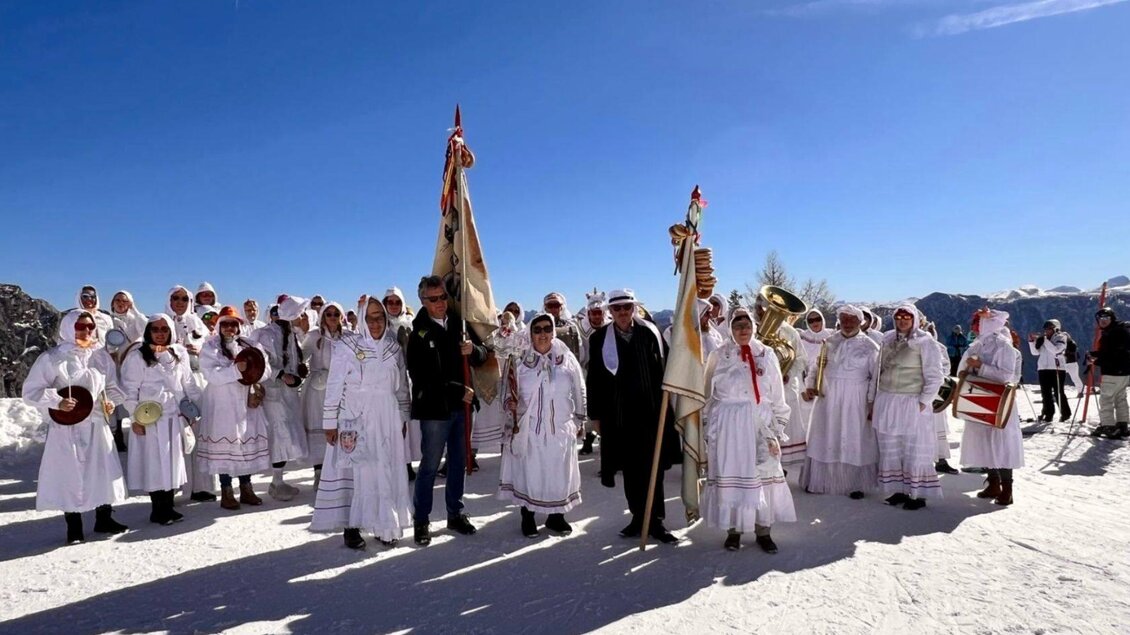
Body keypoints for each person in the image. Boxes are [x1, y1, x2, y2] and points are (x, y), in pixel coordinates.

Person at [311, 295, 413, 549]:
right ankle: (352, 525)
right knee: (356, 471)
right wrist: (329, 421)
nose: (376, 323)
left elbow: (401, 389)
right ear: (362, 318)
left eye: (380, 317)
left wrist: (402, 416)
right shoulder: (347, 347)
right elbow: (334, 385)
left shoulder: (393, 349)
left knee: (384, 468)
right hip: (355, 417)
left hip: (387, 417)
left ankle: (384, 524)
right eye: (370, 318)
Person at [22, 310, 128, 544]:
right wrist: (57, 400)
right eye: (81, 326)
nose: (86, 331)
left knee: (100, 472)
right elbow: (30, 392)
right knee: (70, 474)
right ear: (69, 327)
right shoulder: (53, 358)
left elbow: (113, 387)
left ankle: (104, 518)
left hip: (96, 424)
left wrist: (111, 401)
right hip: (67, 427)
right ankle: (74, 525)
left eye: (90, 327)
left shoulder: (101, 357)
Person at [586, 288, 681, 544]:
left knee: (653, 468)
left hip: (651, 413)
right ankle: (639, 517)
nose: (622, 313)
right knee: (630, 469)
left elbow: (668, 367)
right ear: (610, 312)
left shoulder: (651, 333)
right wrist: (595, 415)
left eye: (626, 307)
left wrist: (669, 399)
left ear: (634, 308)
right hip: (618, 415)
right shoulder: (599, 340)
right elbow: (593, 379)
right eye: (616, 309)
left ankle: (656, 520)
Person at [703, 308, 796, 552]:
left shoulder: (767, 355)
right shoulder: (718, 355)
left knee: (762, 474)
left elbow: (777, 393)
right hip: (728, 426)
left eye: (746, 326)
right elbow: (706, 393)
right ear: (730, 329)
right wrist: (707, 424)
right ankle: (733, 530)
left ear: (753, 327)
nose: (743, 330)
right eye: (737, 326)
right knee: (731, 473)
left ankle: (763, 530)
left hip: (759, 422)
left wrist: (777, 426)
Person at [407, 275, 488, 546]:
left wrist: (473, 350)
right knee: (429, 465)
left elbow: (484, 353)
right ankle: (422, 520)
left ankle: (455, 512)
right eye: (433, 299)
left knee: (458, 462)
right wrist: (456, 390)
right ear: (423, 301)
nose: (440, 303)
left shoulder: (460, 322)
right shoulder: (417, 331)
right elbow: (421, 375)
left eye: (443, 297)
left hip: (462, 406)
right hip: (434, 410)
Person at [499, 313, 585, 537]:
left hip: (560, 428)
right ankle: (527, 516)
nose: (543, 334)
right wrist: (511, 412)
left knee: (558, 473)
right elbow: (506, 392)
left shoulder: (565, 357)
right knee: (529, 473)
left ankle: (556, 518)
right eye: (537, 330)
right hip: (530, 429)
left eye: (547, 328)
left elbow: (579, 387)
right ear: (530, 332)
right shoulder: (519, 359)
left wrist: (579, 418)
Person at [120, 314, 203, 525]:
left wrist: (195, 409)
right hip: (150, 419)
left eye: (164, 329)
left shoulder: (178, 353)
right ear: (149, 331)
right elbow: (129, 391)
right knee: (154, 464)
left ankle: (168, 505)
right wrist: (135, 418)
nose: (160, 333)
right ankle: (158, 509)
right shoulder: (138, 357)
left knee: (173, 463)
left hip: (174, 418)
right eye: (155, 329)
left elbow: (188, 384)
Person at [799, 305, 880, 499]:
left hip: (856, 399)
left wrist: (871, 402)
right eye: (844, 320)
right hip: (828, 397)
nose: (848, 324)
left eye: (852, 320)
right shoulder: (830, 341)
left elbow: (875, 377)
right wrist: (810, 386)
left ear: (860, 321)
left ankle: (855, 484)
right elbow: (816, 368)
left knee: (853, 437)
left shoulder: (870, 346)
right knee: (826, 436)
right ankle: (820, 481)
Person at [196, 306, 273, 510]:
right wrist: (236, 371)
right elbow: (212, 375)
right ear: (219, 325)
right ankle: (226, 490)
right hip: (222, 403)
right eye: (226, 324)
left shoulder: (250, 344)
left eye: (233, 324)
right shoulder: (210, 347)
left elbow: (266, 369)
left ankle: (246, 488)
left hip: (247, 402)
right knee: (226, 445)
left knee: (244, 443)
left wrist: (255, 377)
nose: (230, 328)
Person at [873, 304, 944, 510]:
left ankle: (918, 494)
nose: (902, 321)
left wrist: (924, 401)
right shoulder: (887, 339)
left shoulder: (925, 341)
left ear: (914, 319)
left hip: (912, 400)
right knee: (890, 447)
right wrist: (873, 398)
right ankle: (899, 490)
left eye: (906, 317)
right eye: (898, 317)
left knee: (914, 447)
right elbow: (878, 370)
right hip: (887, 398)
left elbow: (934, 375)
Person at [955, 308, 1024, 505]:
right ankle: (993, 483)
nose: (975, 326)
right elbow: (962, 367)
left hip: (999, 401)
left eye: (979, 322)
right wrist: (966, 371)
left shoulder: (1004, 347)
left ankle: (1007, 488)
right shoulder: (977, 345)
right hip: (978, 398)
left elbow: (1006, 376)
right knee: (985, 443)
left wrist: (980, 366)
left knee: (1001, 444)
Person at [251, 295, 311, 499]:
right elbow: (261, 361)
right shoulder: (267, 334)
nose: (302, 317)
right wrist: (280, 375)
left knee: (287, 435)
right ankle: (276, 482)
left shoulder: (290, 334)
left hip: (288, 393)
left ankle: (279, 480)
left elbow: (291, 359)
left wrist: (298, 369)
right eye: (299, 314)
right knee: (279, 435)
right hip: (274, 394)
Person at [166, 284, 215, 502]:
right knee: (179, 434)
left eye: (184, 299)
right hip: (173, 384)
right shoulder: (161, 325)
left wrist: (200, 351)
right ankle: (181, 484)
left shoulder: (199, 325)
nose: (179, 302)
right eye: (175, 298)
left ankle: (203, 486)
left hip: (197, 380)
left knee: (201, 431)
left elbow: (213, 349)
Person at [754, 294, 809, 476]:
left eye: (767, 308)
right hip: (760, 389)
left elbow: (801, 359)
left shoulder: (789, 332)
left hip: (784, 388)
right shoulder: (752, 331)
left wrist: (788, 373)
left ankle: (781, 466)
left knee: (783, 425)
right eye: (761, 308)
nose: (763, 312)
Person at [301, 302, 346, 492]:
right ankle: (319, 473)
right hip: (319, 389)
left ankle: (337, 473)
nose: (333, 317)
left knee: (341, 428)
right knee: (320, 429)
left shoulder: (348, 337)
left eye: (336, 314)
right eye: (329, 314)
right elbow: (299, 357)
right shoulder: (313, 336)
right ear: (322, 316)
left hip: (342, 390)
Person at [384, 286, 421, 479]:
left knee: (406, 424)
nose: (393, 305)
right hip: (387, 381)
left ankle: (406, 463)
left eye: (397, 301)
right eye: (389, 302)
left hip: (407, 379)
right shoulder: (380, 325)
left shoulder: (409, 325)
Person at [1088, 307, 1130, 439]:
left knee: (1106, 399)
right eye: (1101, 319)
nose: (1103, 321)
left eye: (1106, 318)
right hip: (1124, 372)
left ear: (1112, 319)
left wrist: (1095, 361)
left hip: (1112, 371)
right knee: (1120, 397)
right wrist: (1095, 354)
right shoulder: (1120, 330)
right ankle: (1122, 425)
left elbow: (1111, 354)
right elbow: (1113, 351)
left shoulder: (1110, 334)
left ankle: (1108, 426)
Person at [1029, 319, 1070, 423]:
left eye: (1049, 329)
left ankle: (1065, 414)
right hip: (1043, 368)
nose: (1046, 331)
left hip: (1057, 368)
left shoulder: (1061, 337)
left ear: (1056, 328)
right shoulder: (1044, 339)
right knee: (1045, 393)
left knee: (1058, 392)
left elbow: (1056, 350)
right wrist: (1032, 342)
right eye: (1046, 329)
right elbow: (1035, 353)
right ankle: (1048, 414)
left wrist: (1045, 341)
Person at [543, 292, 583, 361]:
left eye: (556, 305)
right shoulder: (537, 327)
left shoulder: (570, 327)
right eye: (550, 305)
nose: (553, 309)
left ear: (561, 307)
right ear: (545, 308)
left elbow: (580, 351)